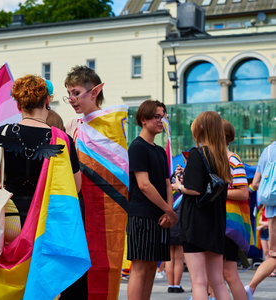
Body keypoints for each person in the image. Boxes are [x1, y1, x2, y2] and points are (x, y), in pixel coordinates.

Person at [0, 74, 81, 297]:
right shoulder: (62, 139)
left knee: (10, 278)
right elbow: (75, 187)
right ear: (47, 101)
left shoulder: (2, 134)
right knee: (42, 281)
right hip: (45, 220)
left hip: (10, 217)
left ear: (18, 104)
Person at [62, 65, 129, 299]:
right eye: (69, 93)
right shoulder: (72, 127)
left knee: (104, 264)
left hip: (105, 213)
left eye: (76, 92)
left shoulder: (112, 126)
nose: (71, 99)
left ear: (95, 91)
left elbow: (119, 176)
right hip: (76, 209)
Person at [172, 111, 231, 300]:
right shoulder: (222, 156)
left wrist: (179, 186)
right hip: (216, 222)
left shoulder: (198, 154)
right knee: (218, 281)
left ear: (202, 129)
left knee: (199, 281)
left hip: (196, 223)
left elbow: (194, 190)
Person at [127, 100, 177, 300]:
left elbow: (167, 184)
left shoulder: (158, 150)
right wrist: (169, 210)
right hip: (141, 214)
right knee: (139, 267)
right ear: (143, 120)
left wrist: (169, 211)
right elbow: (144, 185)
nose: (161, 120)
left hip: (159, 216)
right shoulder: (137, 147)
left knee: (150, 266)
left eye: (163, 115)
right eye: (157, 116)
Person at [221, 119, 249, 300]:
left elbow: (244, 193)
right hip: (219, 223)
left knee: (228, 273)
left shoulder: (232, 159)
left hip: (228, 225)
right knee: (215, 274)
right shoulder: (219, 159)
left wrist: (217, 191)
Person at [245, 140, 276, 299]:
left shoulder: (268, 151)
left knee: (273, 256)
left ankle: (250, 287)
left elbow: (256, 183)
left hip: (272, 211)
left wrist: (246, 193)